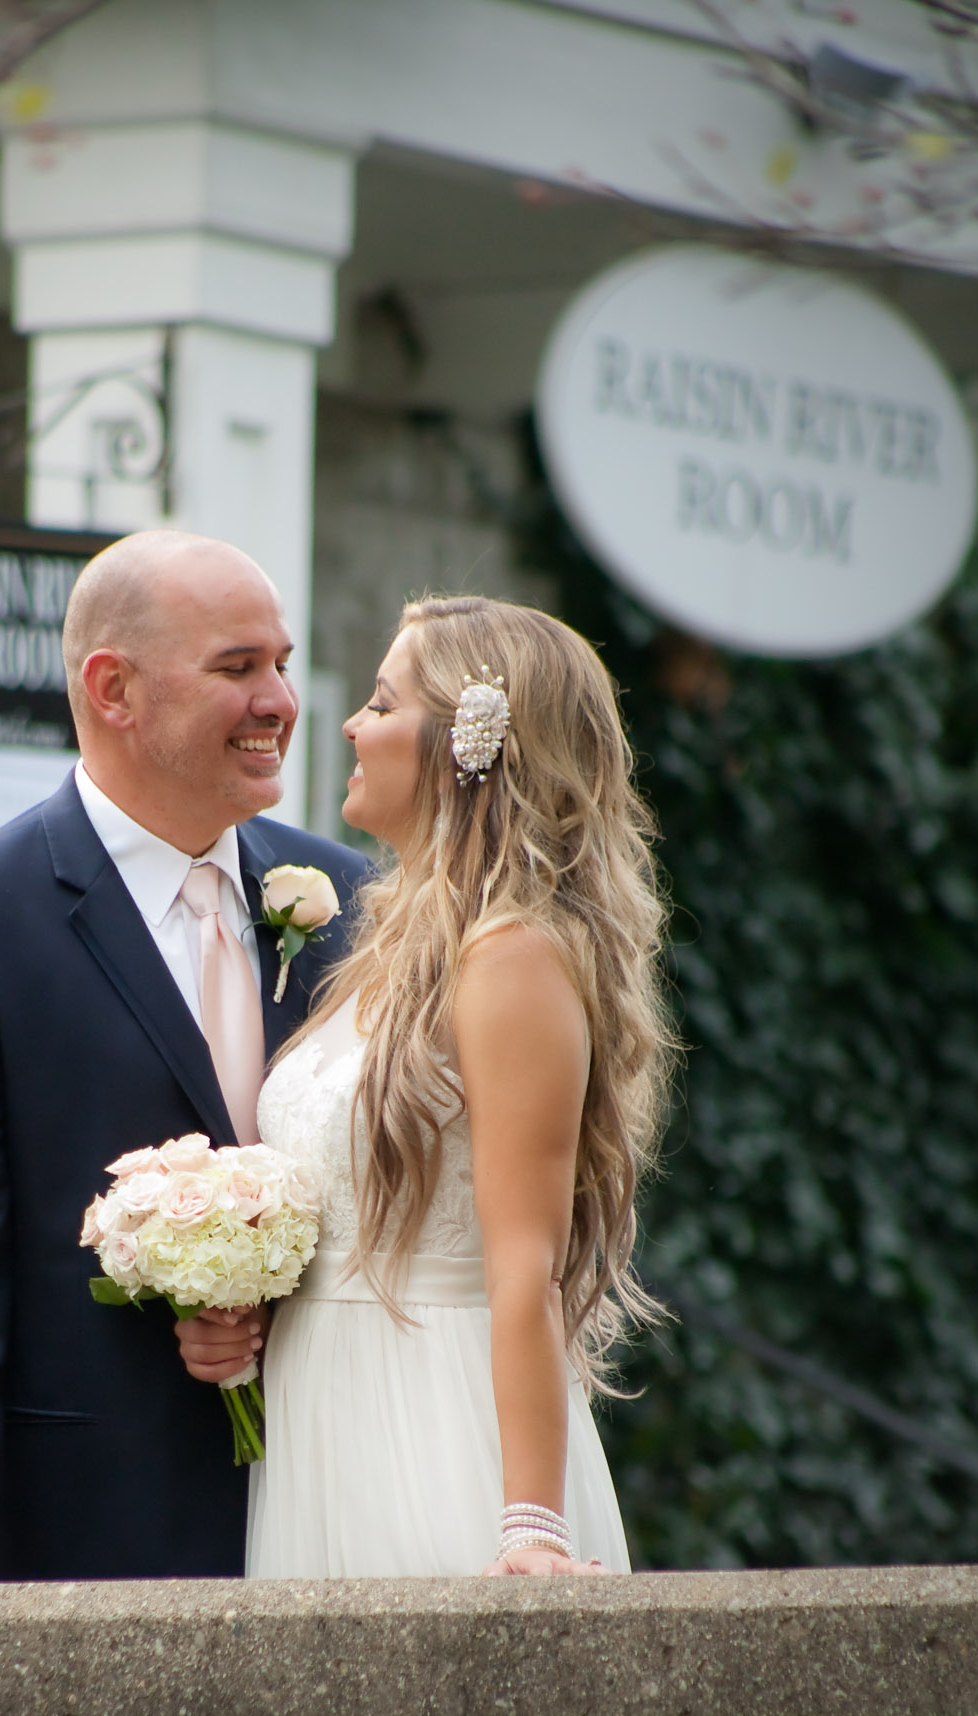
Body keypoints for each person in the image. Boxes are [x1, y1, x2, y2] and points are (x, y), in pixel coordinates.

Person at [0, 531, 368, 1590]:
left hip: (340, 1500)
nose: (279, 698)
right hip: (91, 1528)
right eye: (238, 668)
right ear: (113, 688)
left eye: (280, 662)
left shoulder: (354, 903)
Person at [176, 596, 672, 1577]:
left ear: (468, 746)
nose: (352, 725)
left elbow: (522, 1265)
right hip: (320, 1416)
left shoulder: (513, 954)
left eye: (381, 702)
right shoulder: (390, 945)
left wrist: (531, 1526)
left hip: (431, 1420)